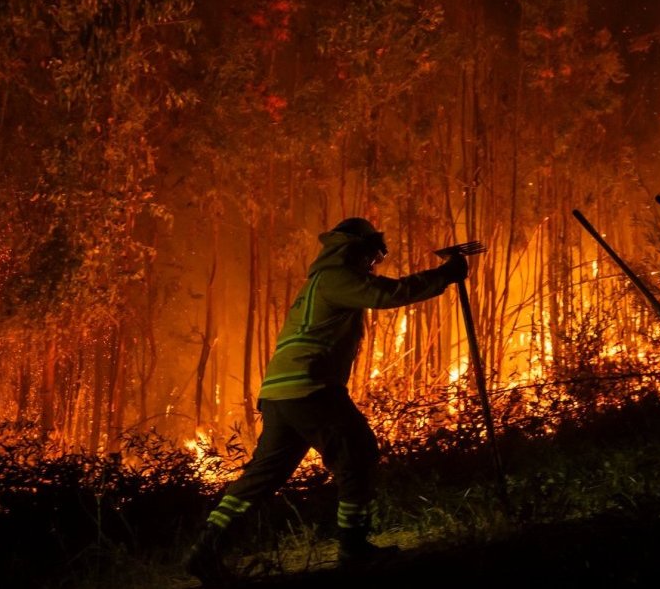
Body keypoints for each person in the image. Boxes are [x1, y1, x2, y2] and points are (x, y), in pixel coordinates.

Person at [183, 217, 468, 585]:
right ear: (357, 249)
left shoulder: (318, 281)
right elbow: (388, 293)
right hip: (310, 386)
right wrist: (443, 275)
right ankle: (354, 548)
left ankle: (206, 550)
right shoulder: (337, 277)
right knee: (358, 454)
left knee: (262, 477)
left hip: (281, 394)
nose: (373, 264)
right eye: (373, 256)